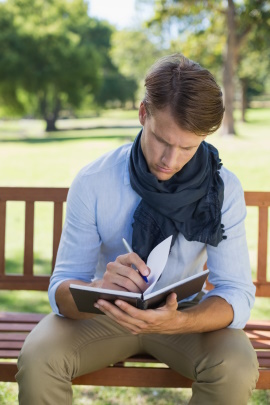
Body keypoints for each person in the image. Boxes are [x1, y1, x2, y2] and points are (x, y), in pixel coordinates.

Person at [16, 54, 259, 404]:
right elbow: (61, 288)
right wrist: (98, 289)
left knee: (235, 365)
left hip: (185, 314)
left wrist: (177, 323)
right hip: (104, 313)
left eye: (188, 147)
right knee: (39, 358)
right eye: (162, 139)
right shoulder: (94, 180)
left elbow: (235, 292)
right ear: (144, 113)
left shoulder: (223, 189)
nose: (170, 161)